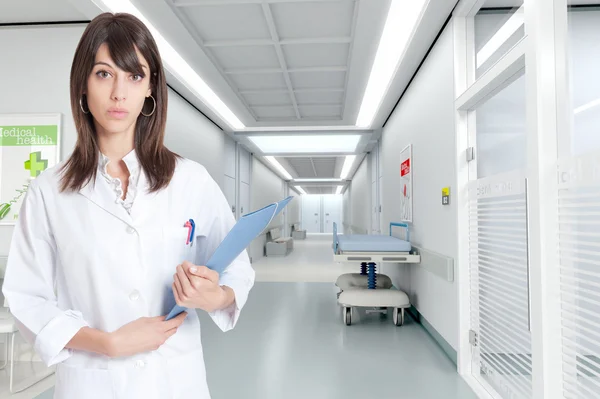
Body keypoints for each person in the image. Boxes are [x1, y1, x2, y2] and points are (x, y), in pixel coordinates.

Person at [1, 12, 255, 399]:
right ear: (83, 85)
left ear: (150, 88)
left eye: (134, 75)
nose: (119, 93)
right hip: (93, 382)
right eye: (104, 74)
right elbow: (26, 297)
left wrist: (213, 295)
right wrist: (108, 343)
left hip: (176, 381)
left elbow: (236, 268)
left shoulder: (191, 180)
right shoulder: (49, 191)